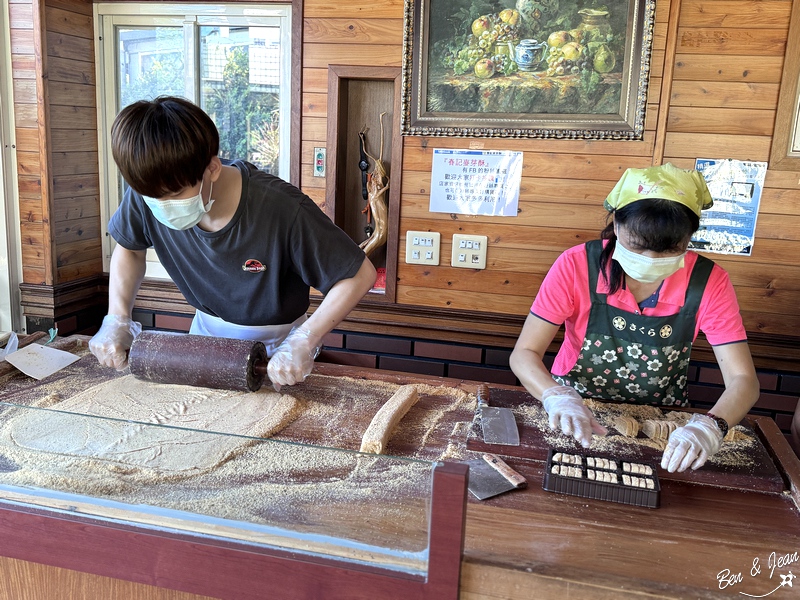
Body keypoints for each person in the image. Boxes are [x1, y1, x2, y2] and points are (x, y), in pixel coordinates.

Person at [89, 96, 376, 389]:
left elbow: (359, 274)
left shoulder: (282, 209)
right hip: (203, 340)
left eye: (174, 195)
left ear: (212, 168)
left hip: (277, 350)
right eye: (152, 198)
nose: (161, 205)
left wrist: (304, 340)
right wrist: (117, 319)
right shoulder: (148, 190)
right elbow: (130, 250)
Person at [509, 163, 760, 473]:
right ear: (616, 226)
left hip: (661, 424)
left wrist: (710, 426)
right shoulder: (576, 265)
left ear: (690, 238)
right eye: (637, 246)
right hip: (574, 412)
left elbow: (744, 381)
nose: (650, 260)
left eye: (670, 249)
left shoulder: (708, 281)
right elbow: (524, 354)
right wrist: (554, 396)